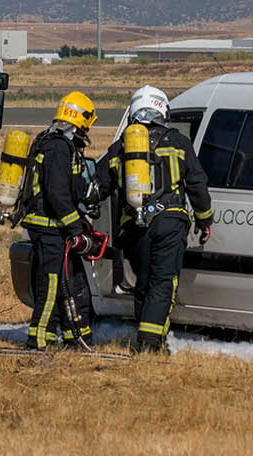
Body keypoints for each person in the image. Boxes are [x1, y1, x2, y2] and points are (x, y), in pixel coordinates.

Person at [97, 85, 212, 355]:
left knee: (145, 282)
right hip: (169, 223)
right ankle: (149, 345)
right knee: (163, 282)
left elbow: (99, 185)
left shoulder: (122, 146)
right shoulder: (179, 142)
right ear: (163, 110)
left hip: (135, 228)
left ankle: (152, 340)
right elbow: (197, 183)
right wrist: (205, 220)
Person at [19, 91, 102, 351]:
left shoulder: (54, 142)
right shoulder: (58, 147)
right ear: (81, 119)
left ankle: (72, 336)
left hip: (53, 226)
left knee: (69, 280)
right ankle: (39, 338)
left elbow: (69, 187)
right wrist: (74, 226)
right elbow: (56, 192)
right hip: (49, 226)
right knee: (52, 282)